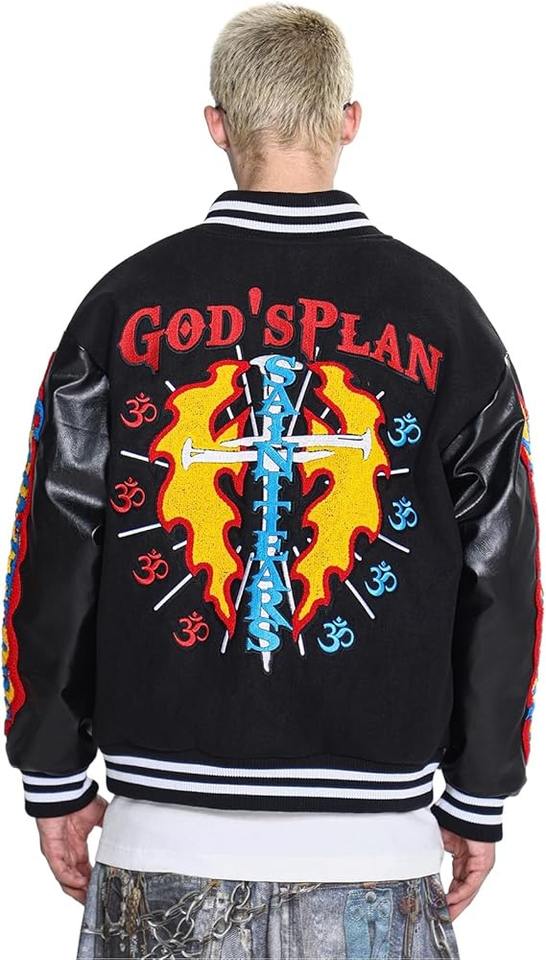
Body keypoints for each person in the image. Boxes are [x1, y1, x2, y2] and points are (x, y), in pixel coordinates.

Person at [2, 4, 542, 958]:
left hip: (160, 843)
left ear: (217, 124)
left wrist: (52, 771)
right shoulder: (445, 318)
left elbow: (55, 549)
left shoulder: (123, 306)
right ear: (349, 120)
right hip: (377, 853)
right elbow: (504, 570)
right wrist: (477, 792)